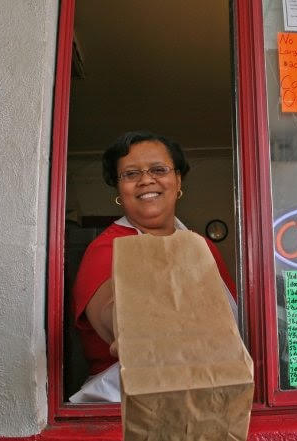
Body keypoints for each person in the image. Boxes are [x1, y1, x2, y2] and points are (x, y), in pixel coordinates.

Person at [72, 130, 236, 378]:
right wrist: (126, 323)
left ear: (178, 181)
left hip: (213, 386)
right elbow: (109, 314)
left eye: (158, 170)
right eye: (131, 174)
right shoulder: (107, 249)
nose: (146, 180)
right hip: (125, 400)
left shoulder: (203, 247)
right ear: (119, 188)